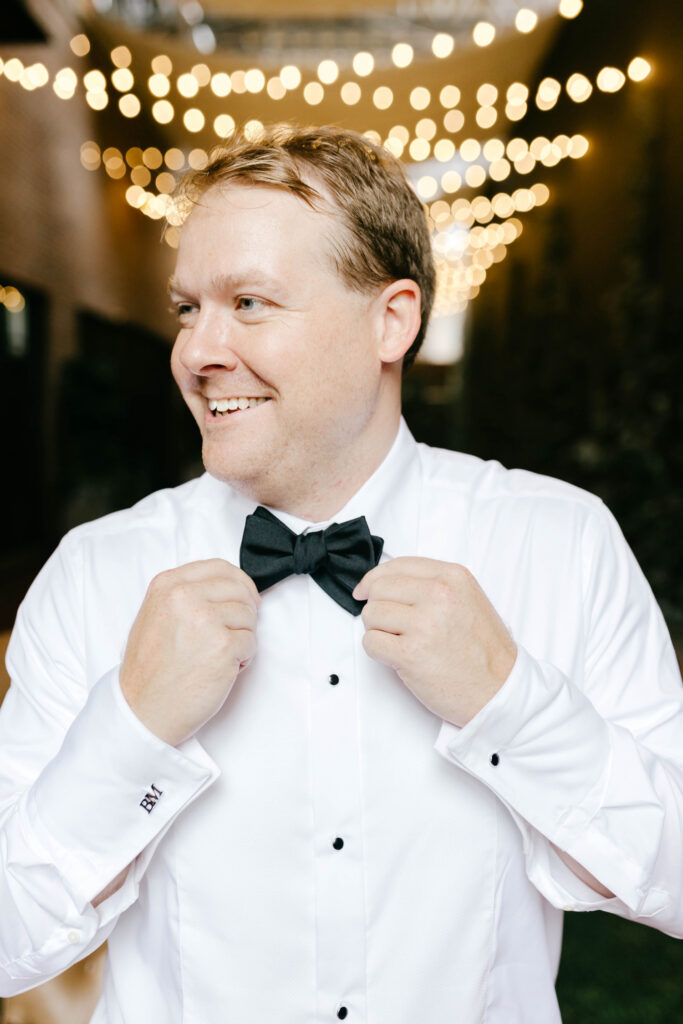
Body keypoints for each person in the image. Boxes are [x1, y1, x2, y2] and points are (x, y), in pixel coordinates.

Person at [0, 123, 681, 1024]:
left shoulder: (560, 543)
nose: (198, 352)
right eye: (186, 308)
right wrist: (131, 732)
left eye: (248, 303)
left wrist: (511, 704)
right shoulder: (97, 572)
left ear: (391, 320)